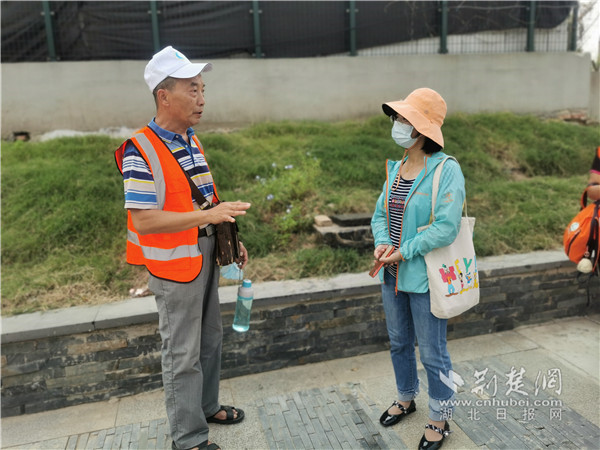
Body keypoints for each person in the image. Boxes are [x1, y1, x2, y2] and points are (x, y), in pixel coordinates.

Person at [115, 46, 251, 450]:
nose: (202, 99)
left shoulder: (190, 139)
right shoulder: (141, 149)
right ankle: (189, 438)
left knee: (210, 339)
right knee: (182, 353)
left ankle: (207, 407)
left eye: (203, 89)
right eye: (193, 89)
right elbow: (144, 220)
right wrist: (207, 219)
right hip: (174, 267)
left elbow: (203, 199)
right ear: (164, 95)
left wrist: (230, 236)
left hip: (205, 255)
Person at [371, 88, 465, 450]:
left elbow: (446, 226)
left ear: (424, 129)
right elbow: (381, 215)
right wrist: (382, 243)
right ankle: (407, 398)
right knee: (398, 342)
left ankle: (440, 418)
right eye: (397, 118)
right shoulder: (395, 169)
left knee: (432, 351)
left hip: (425, 276)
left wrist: (404, 250)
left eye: (405, 120)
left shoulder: (446, 170)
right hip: (391, 273)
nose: (397, 125)